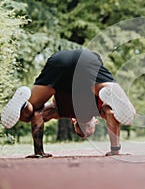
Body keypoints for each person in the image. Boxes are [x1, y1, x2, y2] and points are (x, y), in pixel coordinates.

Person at [1, 49, 136, 158]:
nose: (84, 133)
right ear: (96, 121)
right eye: (86, 133)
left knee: (27, 114)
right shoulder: (98, 109)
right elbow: (111, 114)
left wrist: (39, 152)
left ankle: (24, 104)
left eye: (81, 132)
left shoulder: (60, 110)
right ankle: (113, 97)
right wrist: (115, 150)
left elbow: (38, 114)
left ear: (73, 120)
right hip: (85, 60)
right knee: (124, 113)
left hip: (61, 61)